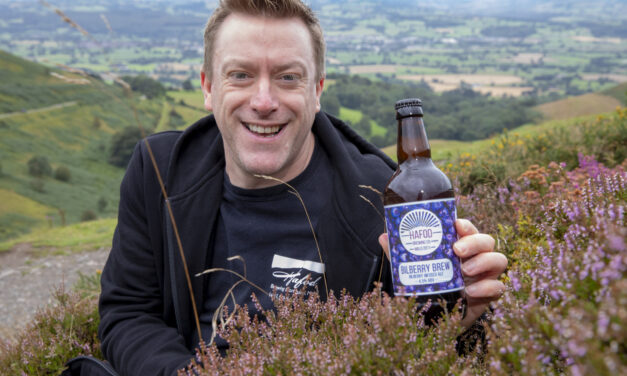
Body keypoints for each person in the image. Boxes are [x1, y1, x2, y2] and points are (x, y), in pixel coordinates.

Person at [91, 1, 508, 375]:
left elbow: (414, 336)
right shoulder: (159, 170)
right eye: (240, 75)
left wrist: (459, 320)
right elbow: (128, 314)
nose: (264, 100)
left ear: (317, 91)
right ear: (208, 87)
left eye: (288, 77)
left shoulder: (384, 199)